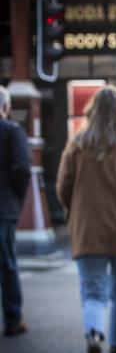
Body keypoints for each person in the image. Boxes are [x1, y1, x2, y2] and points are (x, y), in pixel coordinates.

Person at [56, 85, 116, 353]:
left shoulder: (77, 143)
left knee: (92, 290)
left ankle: (94, 333)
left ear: (92, 110)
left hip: (87, 231)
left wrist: (73, 211)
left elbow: (62, 187)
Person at [0, 86, 31, 337]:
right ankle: (12, 318)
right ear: (6, 107)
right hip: (4, 207)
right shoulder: (12, 131)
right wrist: (16, 197)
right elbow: (22, 168)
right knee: (7, 264)